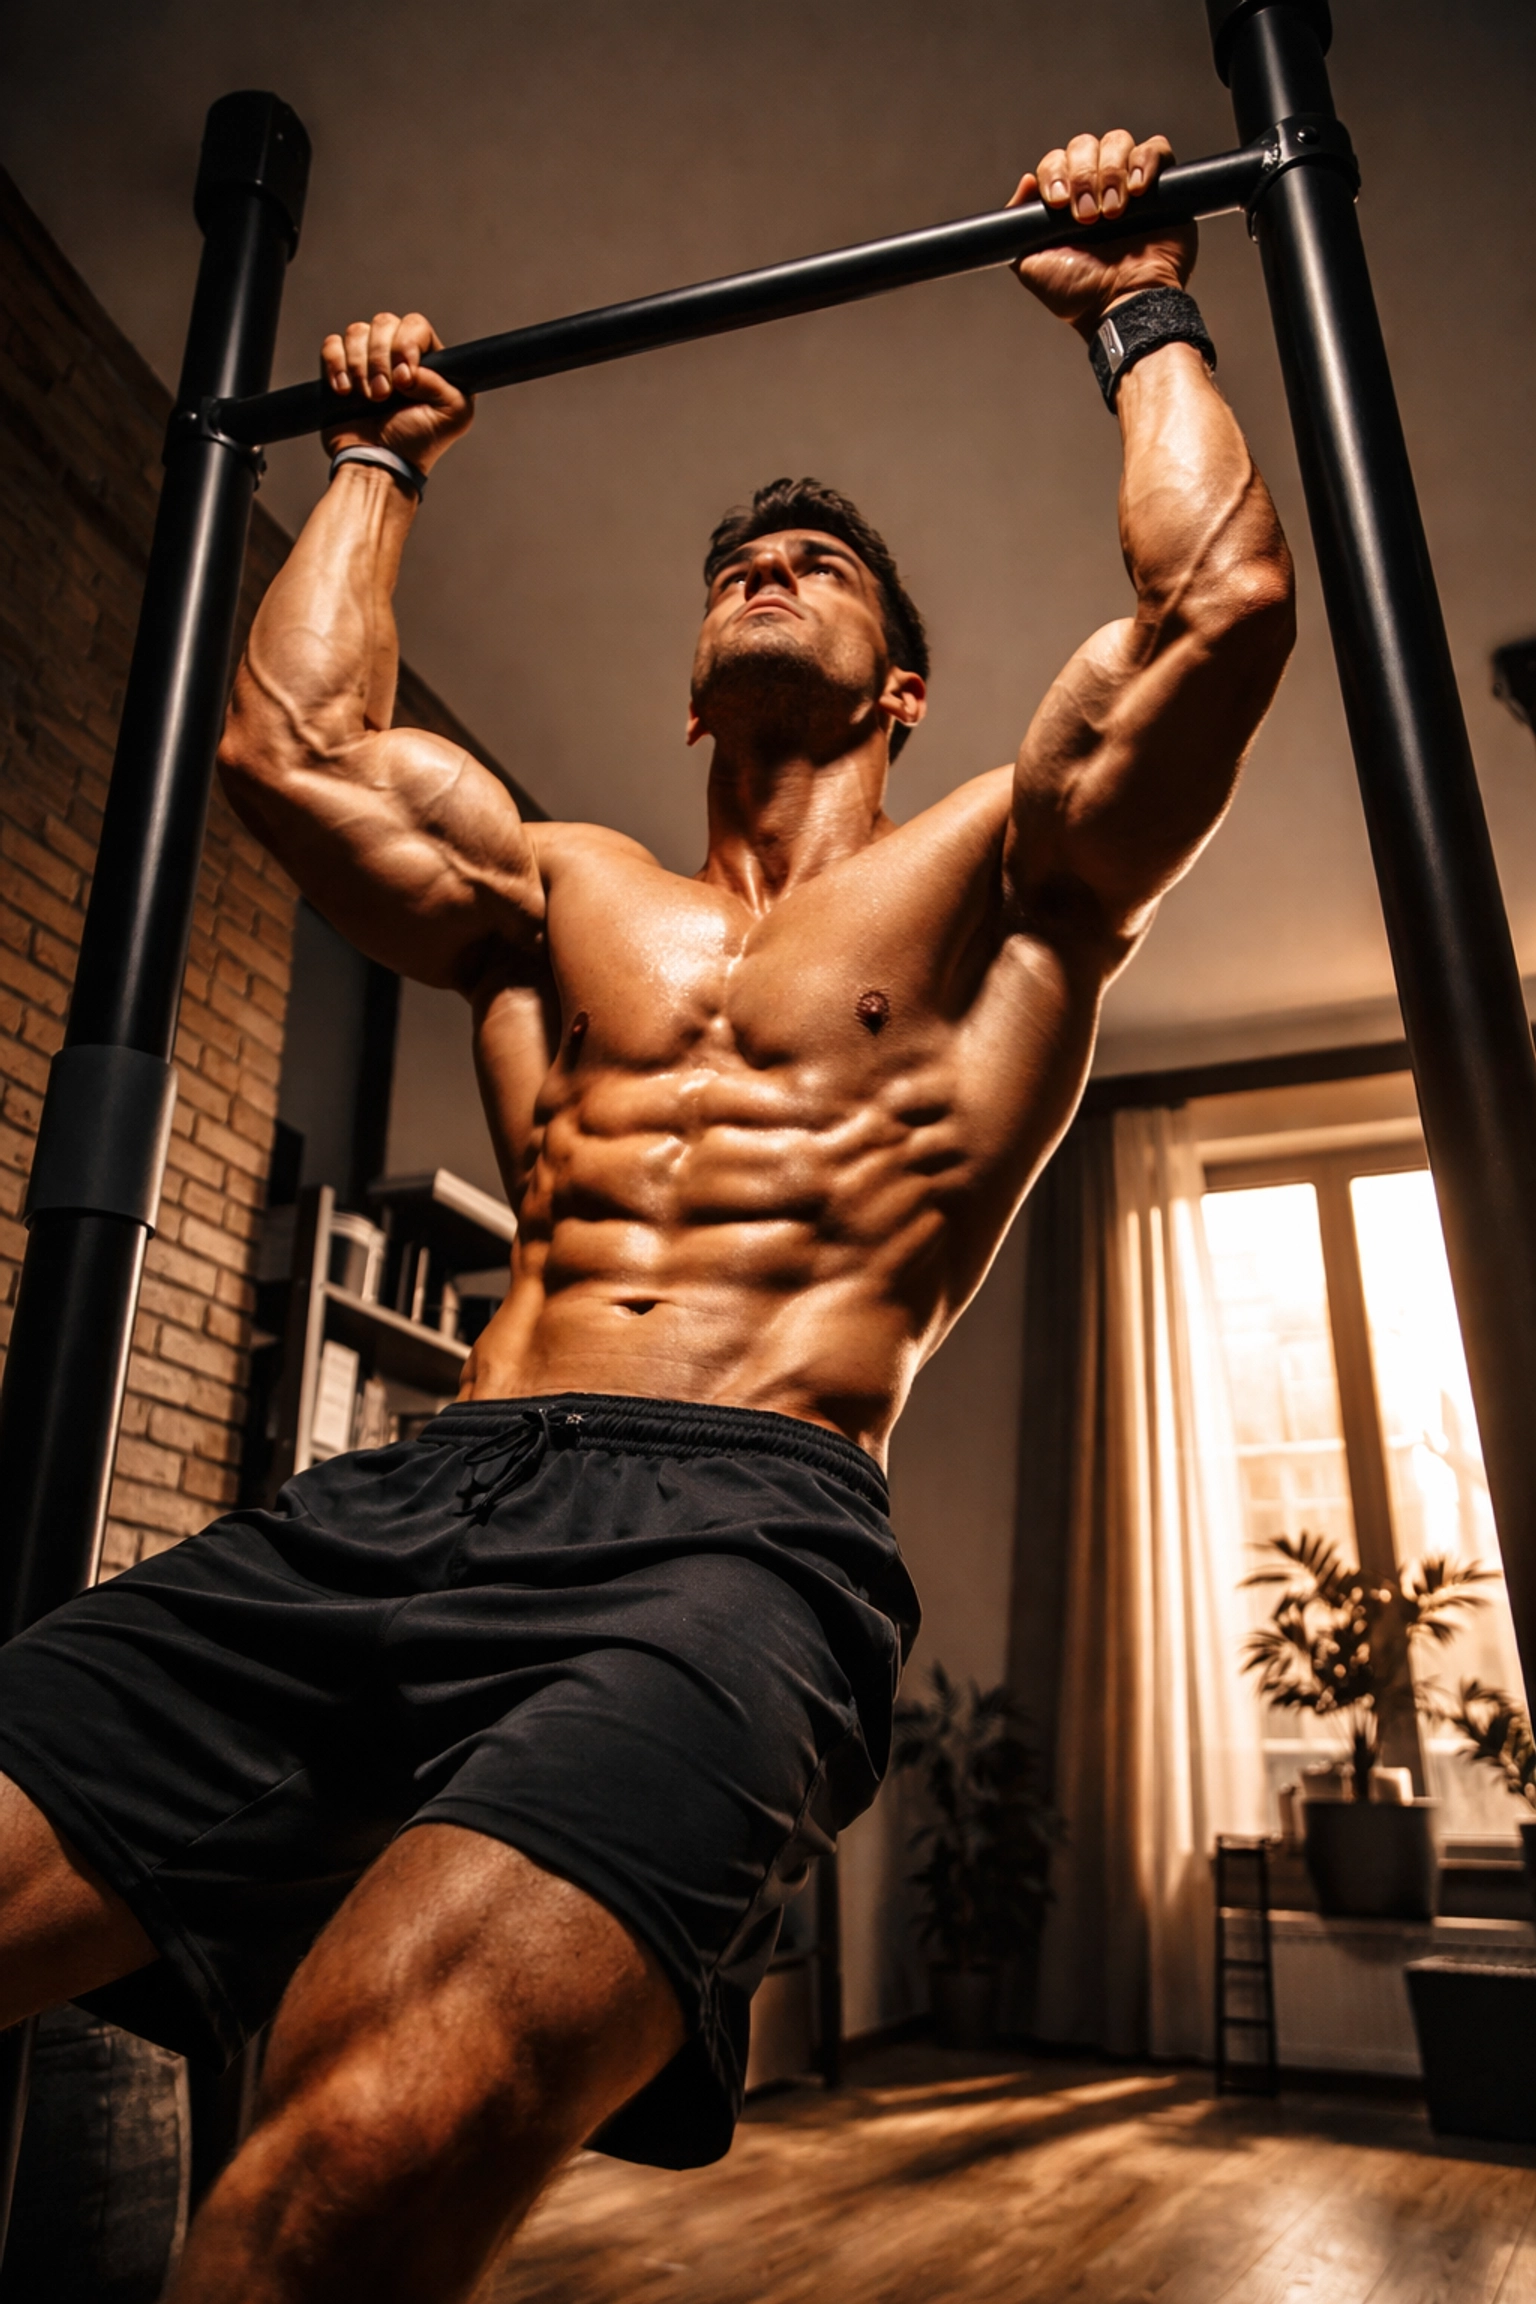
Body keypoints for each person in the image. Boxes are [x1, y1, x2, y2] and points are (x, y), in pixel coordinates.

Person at [0, 132, 1293, 2301]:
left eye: (818, 557)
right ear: (696, 682)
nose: (766, 562)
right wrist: (383, 462)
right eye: (739, 561)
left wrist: (1138, 307)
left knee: (352, 2163)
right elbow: (291, 745)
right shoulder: (559, 890)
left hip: (739, 1537)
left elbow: (1217, 608)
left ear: (900, 687)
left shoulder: (1008, 869)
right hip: (419, 1496)